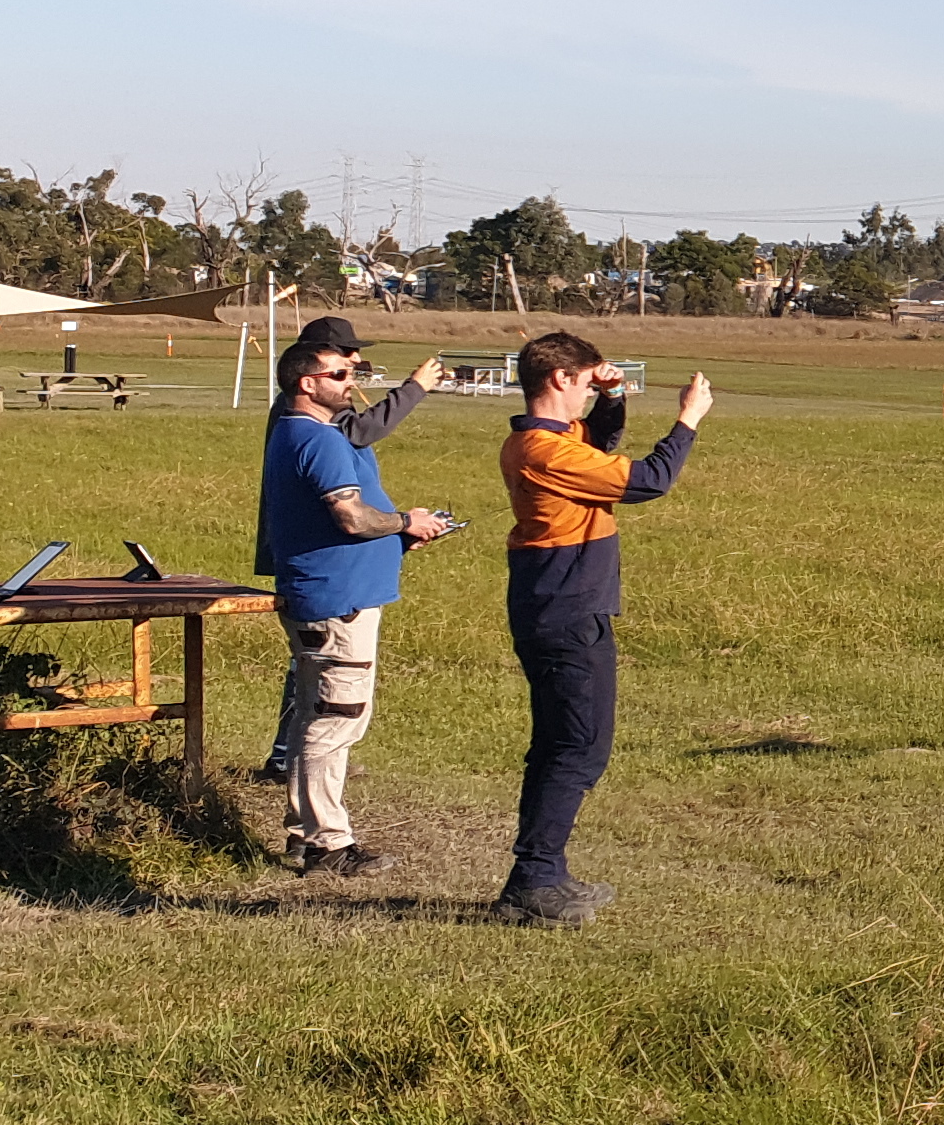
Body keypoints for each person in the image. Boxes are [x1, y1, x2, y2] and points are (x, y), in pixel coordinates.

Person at [493, 331, 711, 928]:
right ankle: (534, 880)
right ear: (560, 379)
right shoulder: (545, 452)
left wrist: (612, 398)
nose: (594, 385)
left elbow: (601, 441)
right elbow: (647, 480)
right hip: (566, 609)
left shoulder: (543, 442)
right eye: (587, 378)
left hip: (554, 602)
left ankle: (540, 873)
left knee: (560, 744)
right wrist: (687, 419)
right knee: (578, 747)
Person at [253, 336, 462, 876]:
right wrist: (402, 523)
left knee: (316, 715)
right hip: (337, 603)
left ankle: (306, 834)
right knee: (336, 720)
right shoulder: (316, 439)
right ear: (308, 383)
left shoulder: (297, 432)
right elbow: (349, 517)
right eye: (343, 374)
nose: (355, 383)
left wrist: (395, 538)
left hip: (328, 596)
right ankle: (327, 844)